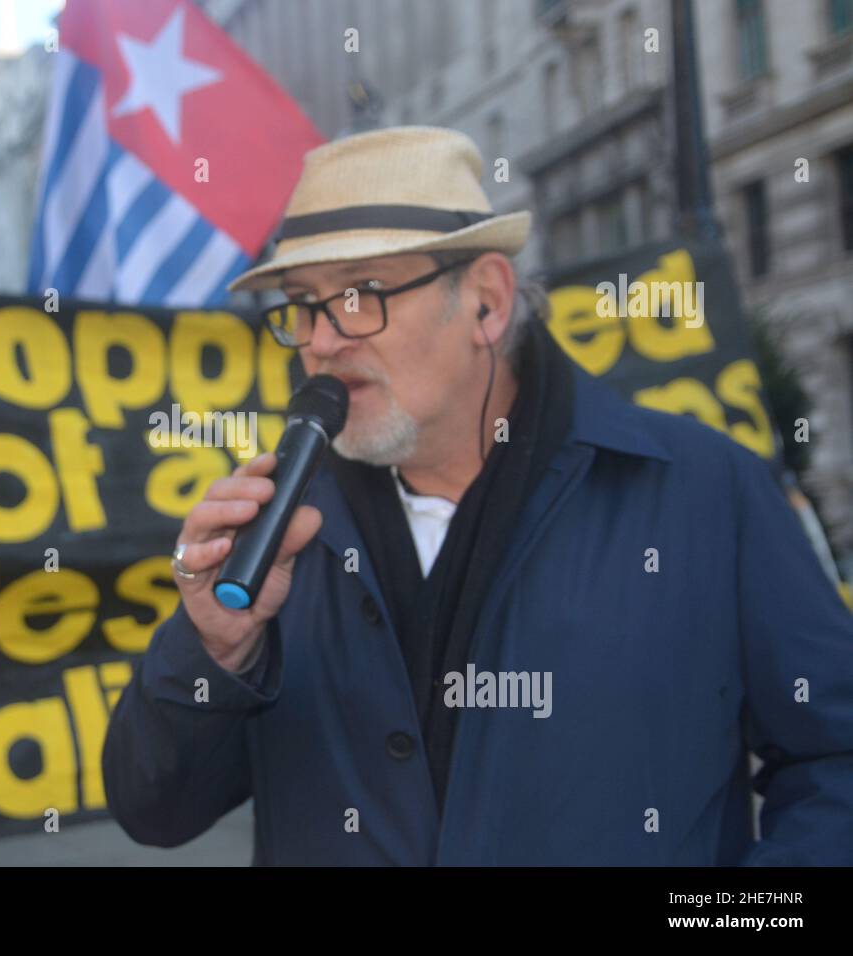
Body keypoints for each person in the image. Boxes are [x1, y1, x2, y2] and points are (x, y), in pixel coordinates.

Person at [100, 126, 853, 865]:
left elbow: (835, 760)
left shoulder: (702, 489)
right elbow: (155, 809)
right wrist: (214, 650)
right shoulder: (277, 530)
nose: (322, 340)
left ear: (487, 302)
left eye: (360, 295)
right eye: (301, 304)